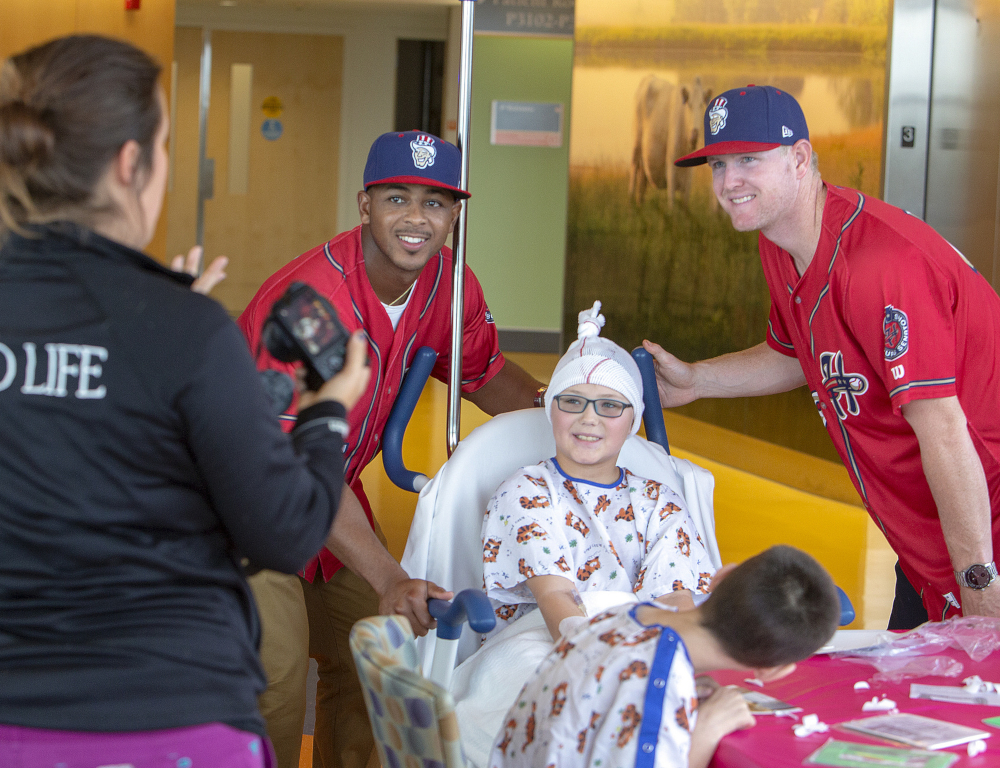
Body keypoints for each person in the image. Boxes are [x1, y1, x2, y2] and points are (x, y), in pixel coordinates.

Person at [0, 34, 371, 767]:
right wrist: (328, 411)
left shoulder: (175, 329)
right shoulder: (184, 329)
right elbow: (284, 535)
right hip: (170, 717)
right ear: (131, 163)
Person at [238, 130, 544, 768]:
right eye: (397, 198)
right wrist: (391, 577)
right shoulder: (308, 305)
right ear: (364, 205)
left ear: (455, 215)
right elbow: (292, 464)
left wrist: (574, 409)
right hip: (246, 505)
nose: (415, 218)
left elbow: (485, 374)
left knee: (375, 661)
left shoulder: (450, 287)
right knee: (278, 674)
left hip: (332, 499)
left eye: (435, 203)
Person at [644, 83, 1000, 630]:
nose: (728, 182)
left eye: (747, 160)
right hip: (928, 537)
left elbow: (946, 432)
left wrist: (980, 586)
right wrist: (697, 381)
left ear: (800, 158)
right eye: (718, 164)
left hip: (982, 534)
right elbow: (799, 354)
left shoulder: (883, 264)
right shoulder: (781, 242)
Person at [483, 302, 716, 642]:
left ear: (632, 421)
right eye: (573, 401)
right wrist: (601, 667)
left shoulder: (659, 502)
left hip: (638, 647)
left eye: (609, 405)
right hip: (545, 648)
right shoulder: (525, 492)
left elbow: (674, 602)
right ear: (551, 410)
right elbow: (556, 600)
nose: (589, 418)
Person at [488, 544, 840, 768]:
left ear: (720, 577)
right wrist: (706, 731)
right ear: (773, 670)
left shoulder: (619, 615)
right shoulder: (659, 686)